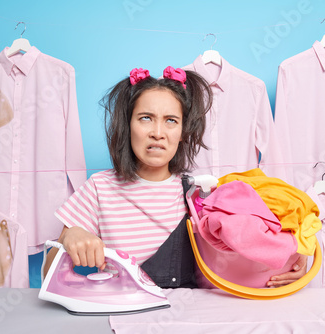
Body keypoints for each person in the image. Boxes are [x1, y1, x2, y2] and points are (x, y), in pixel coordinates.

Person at [44, 66, 307, 288]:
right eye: (145, 118)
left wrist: (296, 251)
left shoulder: (198, 193)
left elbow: (253, 237)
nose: (158, 132)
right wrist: (69, 238)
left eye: (170, 120)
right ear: (128, 124)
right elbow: (49, 272)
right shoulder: (99, 187)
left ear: (183, 132)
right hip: (121, 314)